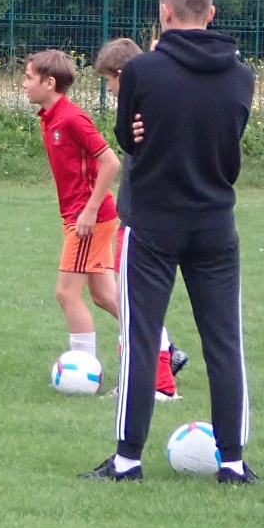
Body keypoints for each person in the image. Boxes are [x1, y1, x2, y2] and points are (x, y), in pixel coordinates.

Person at [84, 0, 256, 483]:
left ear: (164, 12)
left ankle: (127, 460)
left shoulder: (142, 71)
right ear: (212, 13)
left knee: (141, 339)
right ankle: (233, 462)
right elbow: (226, 144)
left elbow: (127, 139)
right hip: (215, 223)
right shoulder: (242, 76)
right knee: (225, 342)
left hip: (153, 225)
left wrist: (146, 130)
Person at [93, 37, 187, 400]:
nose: (109, 88)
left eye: (109, 80)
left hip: (142, 223)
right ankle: (147, 379)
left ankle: (158, 383)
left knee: (135, 307)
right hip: (137, 219)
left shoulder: (145, 110)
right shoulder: (143, 106)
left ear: (122, 74)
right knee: (136, 306)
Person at [21, 49, 121, 368]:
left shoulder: (72, 118)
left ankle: (83, 369)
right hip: (84, 216)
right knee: (105, 296)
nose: (23, 84)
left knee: (66, 293)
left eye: (29, 78)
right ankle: (164, 347)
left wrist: (89, 211)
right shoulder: (50, 116)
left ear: (49, 83)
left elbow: (110, 162)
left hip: (87, 219)